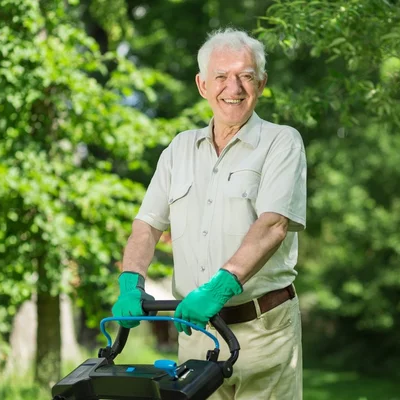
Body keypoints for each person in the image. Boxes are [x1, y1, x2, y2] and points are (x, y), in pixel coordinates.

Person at [112, 27, 306, 399]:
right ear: (202, 85)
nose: (233, 89)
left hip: (265, 331)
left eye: (245, 77)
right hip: (196, 335)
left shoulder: (282, 142)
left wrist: (220, 287)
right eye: (221, 77)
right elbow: (146, 226)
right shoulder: (178, 149)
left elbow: (273, 225)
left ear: (261, 84)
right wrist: (130, 282)